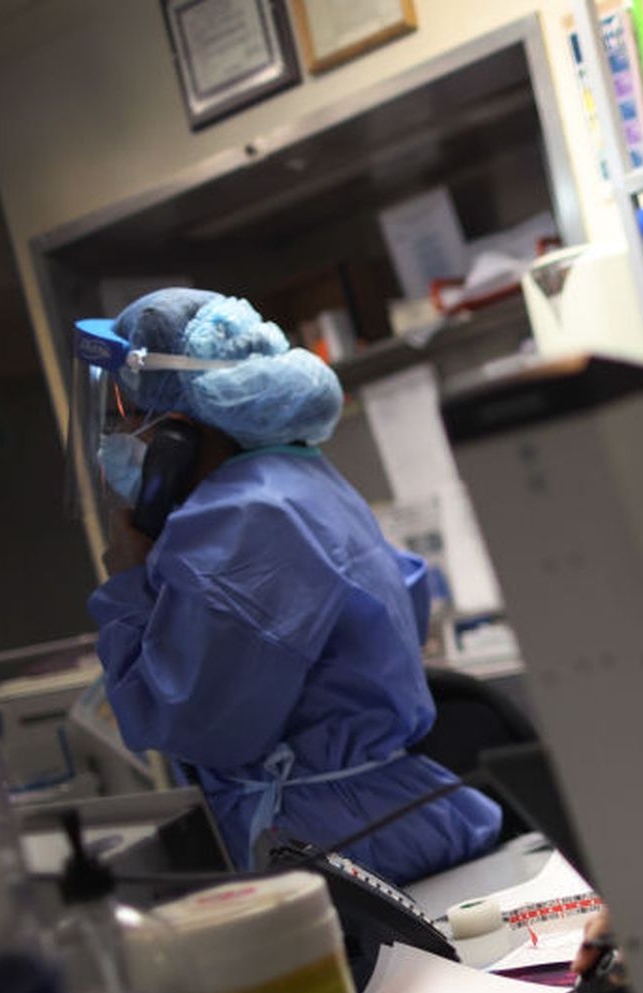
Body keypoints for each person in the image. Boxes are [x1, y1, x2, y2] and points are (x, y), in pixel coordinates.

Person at [75, 288, 501, 884]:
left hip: (335, 846)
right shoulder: (298, 478)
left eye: (129, 420)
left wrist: (128, 582)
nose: (120, 438)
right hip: (389, 821)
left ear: (177, 436)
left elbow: (193, 725)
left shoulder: (238, 520)